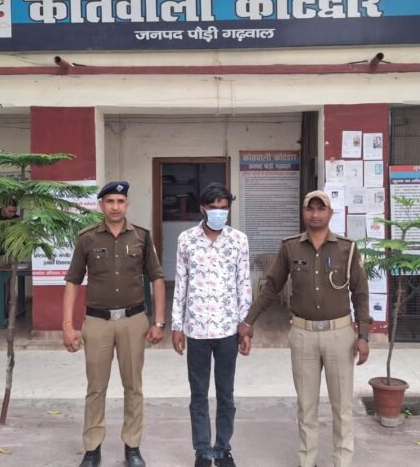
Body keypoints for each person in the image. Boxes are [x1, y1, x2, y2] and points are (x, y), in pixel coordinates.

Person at [238, 191, 371, 467]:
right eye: (310, 209)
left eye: (321, 209)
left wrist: (363, 335)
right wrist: (249, 321)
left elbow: (360, 293)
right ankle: (307, 461)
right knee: (306, 406)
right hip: (302, 335)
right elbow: (271, 287)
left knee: (342, 407)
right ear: (303, 212)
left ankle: (342, 461)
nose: (315, 214)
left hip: (339, 335)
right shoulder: (290, 248)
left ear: (330, 213)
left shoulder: (347, 248)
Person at [61, 180, 166, 467]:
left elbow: (156, 278)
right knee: (96, 387)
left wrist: (158, 321)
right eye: (110, 201)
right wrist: (68, 325)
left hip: (133, 321)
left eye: (120, 202)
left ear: (127, 205)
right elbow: (72, 281)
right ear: (101, 205)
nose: (115, 207)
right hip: (97, 322)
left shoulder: (142, 237)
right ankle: (92, 448)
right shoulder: (87, 238)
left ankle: (132, 447)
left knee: (133, 387)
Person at [171, 183, 251, 467]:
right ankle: (203, 450)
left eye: (224, 207)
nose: (219, 212)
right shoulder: (186, 240)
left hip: (228, 330)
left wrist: (245, 325)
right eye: (214, 207)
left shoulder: (239, 240)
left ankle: (223, 448)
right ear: (203, 208)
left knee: (226, 394)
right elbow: (181, 283)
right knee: (198, 394)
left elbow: (244, 284)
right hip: (196, 330)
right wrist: (177, 326)